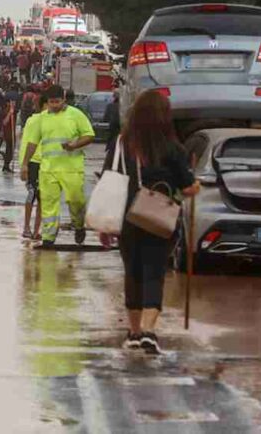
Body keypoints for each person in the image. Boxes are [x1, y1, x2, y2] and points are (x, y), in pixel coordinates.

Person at [101, 91, 199, 355]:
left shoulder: (122, 144)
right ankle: (148, 330)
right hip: (159, 219)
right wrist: (195, 184)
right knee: (154, 273)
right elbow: (188, 187)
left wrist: (104, 224)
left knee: (132, 273)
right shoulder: (173, 148)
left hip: (127, 218)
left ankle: (133, 333)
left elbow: (109, 178)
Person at [20, 84, 95, 249]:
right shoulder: (42, 118)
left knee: (76, 201)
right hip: (48, 169)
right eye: (51, 102)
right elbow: (32, 142)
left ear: (64, 99)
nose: (54, 105)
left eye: (57, 102)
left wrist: (74, 144)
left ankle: (79, 225)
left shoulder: (76, 115)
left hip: (71, 168)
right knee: (48, 203)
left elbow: (89, 135)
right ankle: (48, 236)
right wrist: (25, 163)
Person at [20, 93, 49, 240]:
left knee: (42, 197)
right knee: (32, 194)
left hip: (47, 164)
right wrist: (23, 165)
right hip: (33, 163)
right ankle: (26, 227)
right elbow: (26, 142)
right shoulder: (33, 121)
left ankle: (37, 230)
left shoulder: (52, 120)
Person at [0, 89, 16, 174]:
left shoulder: (13, 111)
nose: (13, 103)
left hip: (11, 133)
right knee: (9, 150)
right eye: (11, 102)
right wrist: (10, 113)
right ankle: (6, 165)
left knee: (10, 150)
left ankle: (6, 165)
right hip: (8, 134)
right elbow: (4, 122)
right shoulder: (5, 111)